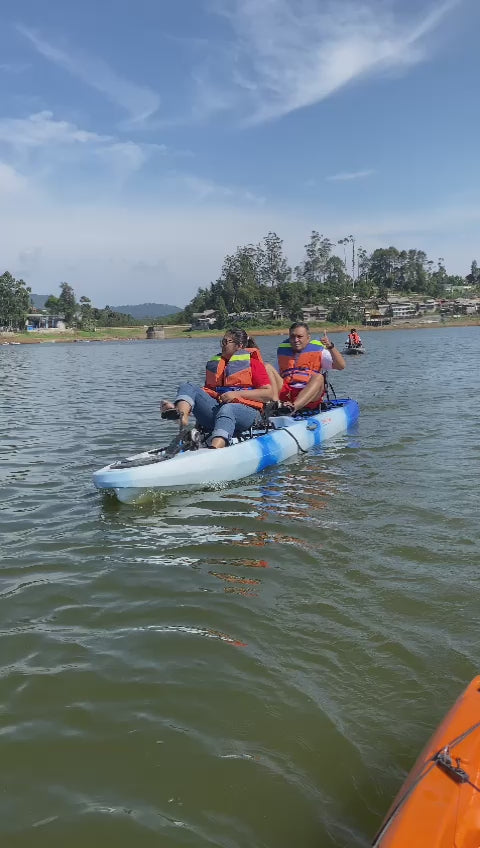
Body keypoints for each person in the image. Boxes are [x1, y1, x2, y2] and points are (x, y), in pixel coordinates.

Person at [160, 328, 273, 449]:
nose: (222, 345)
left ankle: (215, 449)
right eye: (221, 342)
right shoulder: (216, 366)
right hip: (218, 411)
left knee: (228, 409)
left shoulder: (253, 364)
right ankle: (181, 415)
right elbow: (208, 394)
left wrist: (236, 395)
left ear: (239, 346)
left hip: (247, 414)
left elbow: (268, 393)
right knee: (188, 386)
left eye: (226, 342)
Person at [265, 322, 345, 413]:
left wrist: (330, 347)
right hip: (288, 392)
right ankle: (276, 405)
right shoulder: (283, 352)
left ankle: (293, 408)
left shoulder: (319, 350)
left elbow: (341, 366)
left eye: (300, 336)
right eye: (292, 336)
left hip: (310, 394)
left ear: (308, 337)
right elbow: (273, 379)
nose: (295, 340)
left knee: (318, 377)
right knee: (267, 367)